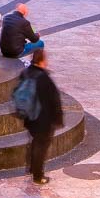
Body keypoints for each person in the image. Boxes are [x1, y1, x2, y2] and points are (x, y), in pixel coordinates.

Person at [16, 47, 64, 185]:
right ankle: (38, 176)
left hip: (30, 116)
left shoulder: (26, 73)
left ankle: (32, 168)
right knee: (41, 146)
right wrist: (58, 119)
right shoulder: (44, 78)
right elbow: (54, 100)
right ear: (42, 61)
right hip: (43, 119)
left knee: (35, 142)